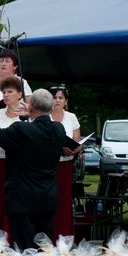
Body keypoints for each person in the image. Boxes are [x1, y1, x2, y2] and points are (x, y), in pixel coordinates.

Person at [0, 89, 68, 250]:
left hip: (22, 200)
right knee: (45, 248)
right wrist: (30, 115)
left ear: (31, 107)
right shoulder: (59, 129)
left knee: (24, 248)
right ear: (51, 107)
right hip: (47, 199)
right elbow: (40, 129)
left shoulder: (21, 129)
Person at [0, 76, 26, 237]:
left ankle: (14, 234)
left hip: (17, 163)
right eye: (4, 92)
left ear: (19, 94)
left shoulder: (26, 114)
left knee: (15, 199)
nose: (6, 95)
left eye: (10, 91)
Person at [50, 86, 81, 239]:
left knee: (63, 201)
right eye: (54, 97)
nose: (57, 100)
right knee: (49, 200)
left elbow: (78, 142)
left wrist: (73, 150)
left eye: (60, 98)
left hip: (65, 165)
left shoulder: (71, 117)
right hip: (47, 166)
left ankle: (64, 236)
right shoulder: (42, 116)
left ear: (66, 101)